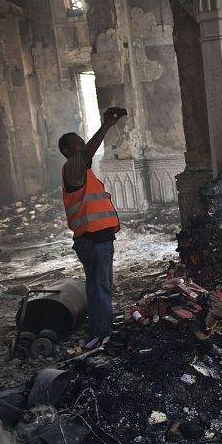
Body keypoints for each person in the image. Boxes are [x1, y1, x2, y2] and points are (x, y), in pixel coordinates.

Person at [59, 108, 126, 339]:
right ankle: (101, 334)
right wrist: (106, 125)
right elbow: (88, 152)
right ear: (67, 152)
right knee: (99, 287)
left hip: (100, 239)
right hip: (92, 240)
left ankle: (104, 327)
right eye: (77, 144)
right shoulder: (72, 169)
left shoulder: (84, 174)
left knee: (102, 286)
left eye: (82, 141)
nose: (82, 145)